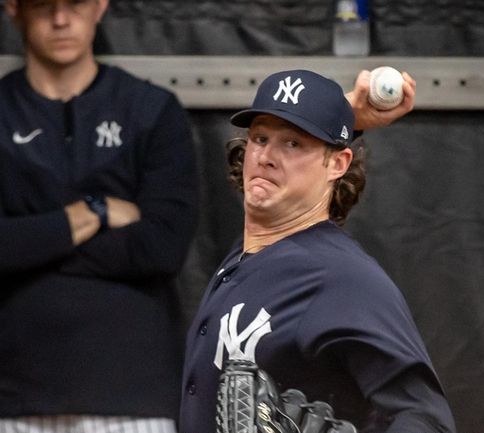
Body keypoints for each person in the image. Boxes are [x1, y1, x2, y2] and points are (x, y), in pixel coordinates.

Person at [0, 0, 198, 432]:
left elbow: (162, 247)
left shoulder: (152, 111)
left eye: (74, 2)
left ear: (99, 6)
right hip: (15, 395)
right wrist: (95, 210)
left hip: (135, 394)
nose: (60, 19)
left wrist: (27, 243)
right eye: (43, 5)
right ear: (13, 8)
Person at [179, 69, 456, 433]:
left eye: (293, 143)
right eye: (260, 138)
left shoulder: (340, 278)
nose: (266, 156)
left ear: (338, 164)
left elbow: (426, 419)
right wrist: (343, 114)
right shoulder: (252, 254)